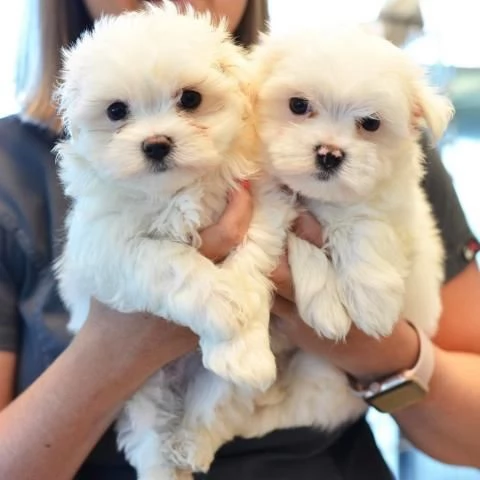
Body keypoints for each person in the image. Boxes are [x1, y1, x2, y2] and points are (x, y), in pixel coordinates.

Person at [0, 1, 478, 479]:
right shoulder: (13, 171)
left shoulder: (379, 134)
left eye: (189, 100)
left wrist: (378, 353)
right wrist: (119, 347)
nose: (330, 140)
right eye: (300, 109)